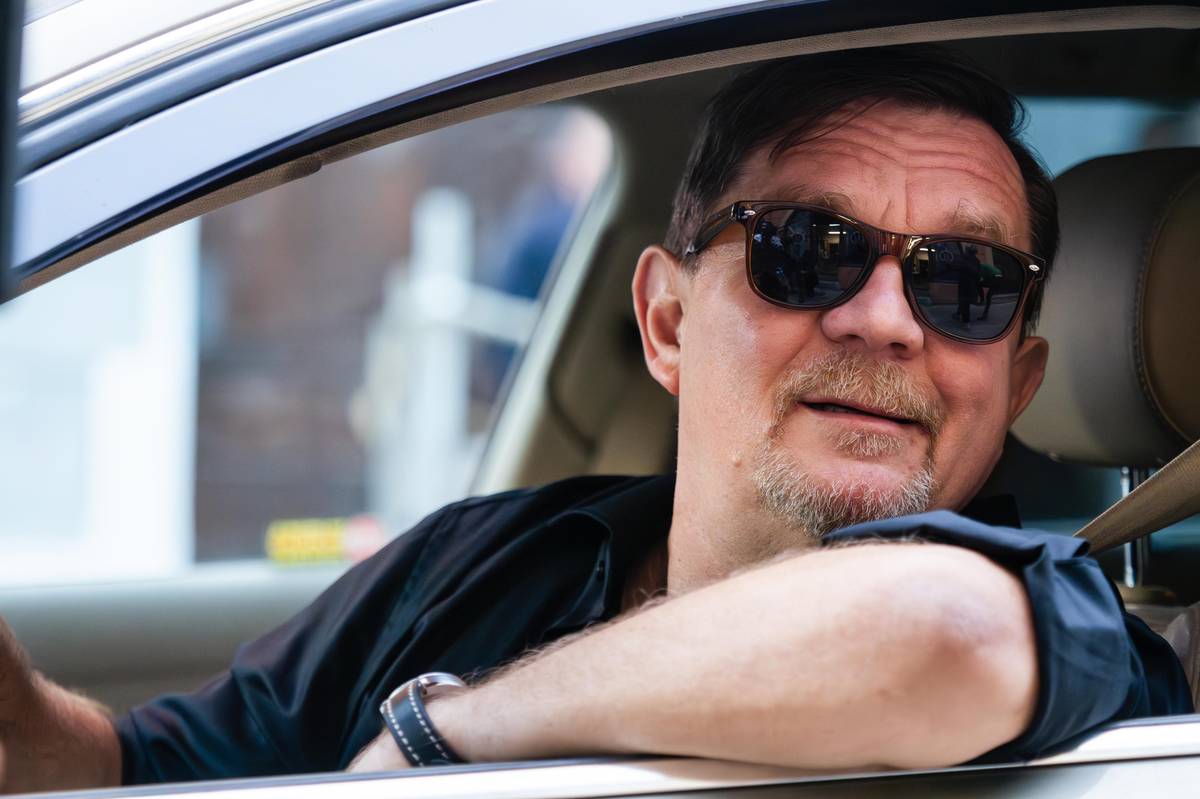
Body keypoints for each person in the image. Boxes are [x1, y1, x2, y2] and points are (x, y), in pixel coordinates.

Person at [0, 47, 1191, 794]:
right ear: (667, 323)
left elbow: (944, 632)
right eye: (807, 250)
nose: (884, 319)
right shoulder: (476, 560)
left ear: (1017, 383)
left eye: (965, 281)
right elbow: (132, 774)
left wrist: (446, 733)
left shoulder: (1071, 627)